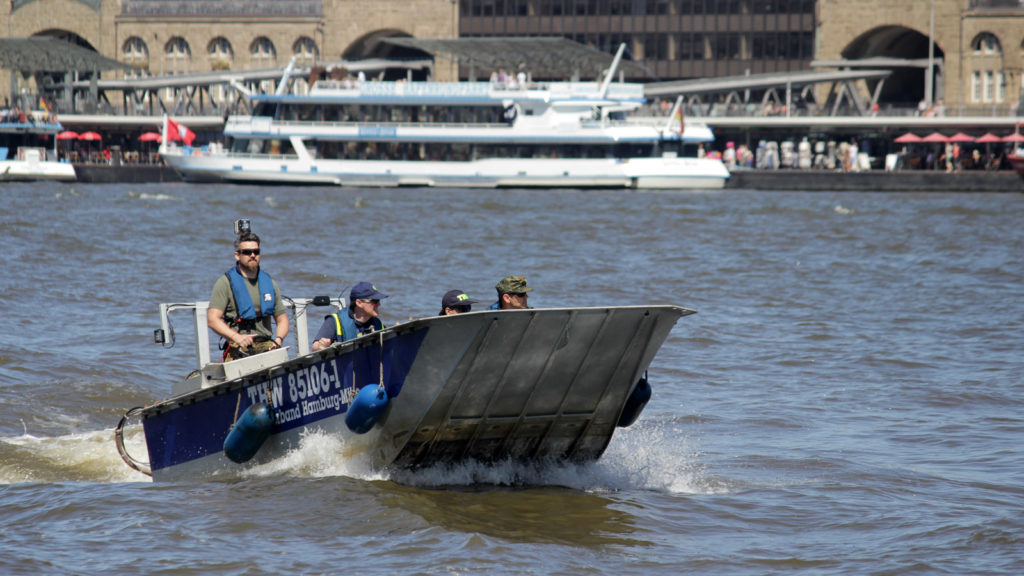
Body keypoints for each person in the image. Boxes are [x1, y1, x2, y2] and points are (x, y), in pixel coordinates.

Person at [207, 231, 289, 361]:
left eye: (256, 251)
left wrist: (278, 341)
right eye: (247, 252)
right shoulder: (224, 283)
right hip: (238, 348)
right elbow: (212, 319)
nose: (252, 255)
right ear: (237, 255)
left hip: (266, 346)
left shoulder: (270, 283)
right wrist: (236, 337)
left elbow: (282, 319)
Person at [312, 282, 388, 351]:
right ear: (359, 303)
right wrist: (321, 346)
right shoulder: (334, 321)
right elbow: (314, 347)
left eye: (379, 301)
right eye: (374, 301)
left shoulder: (378, 324)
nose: (379, 304)